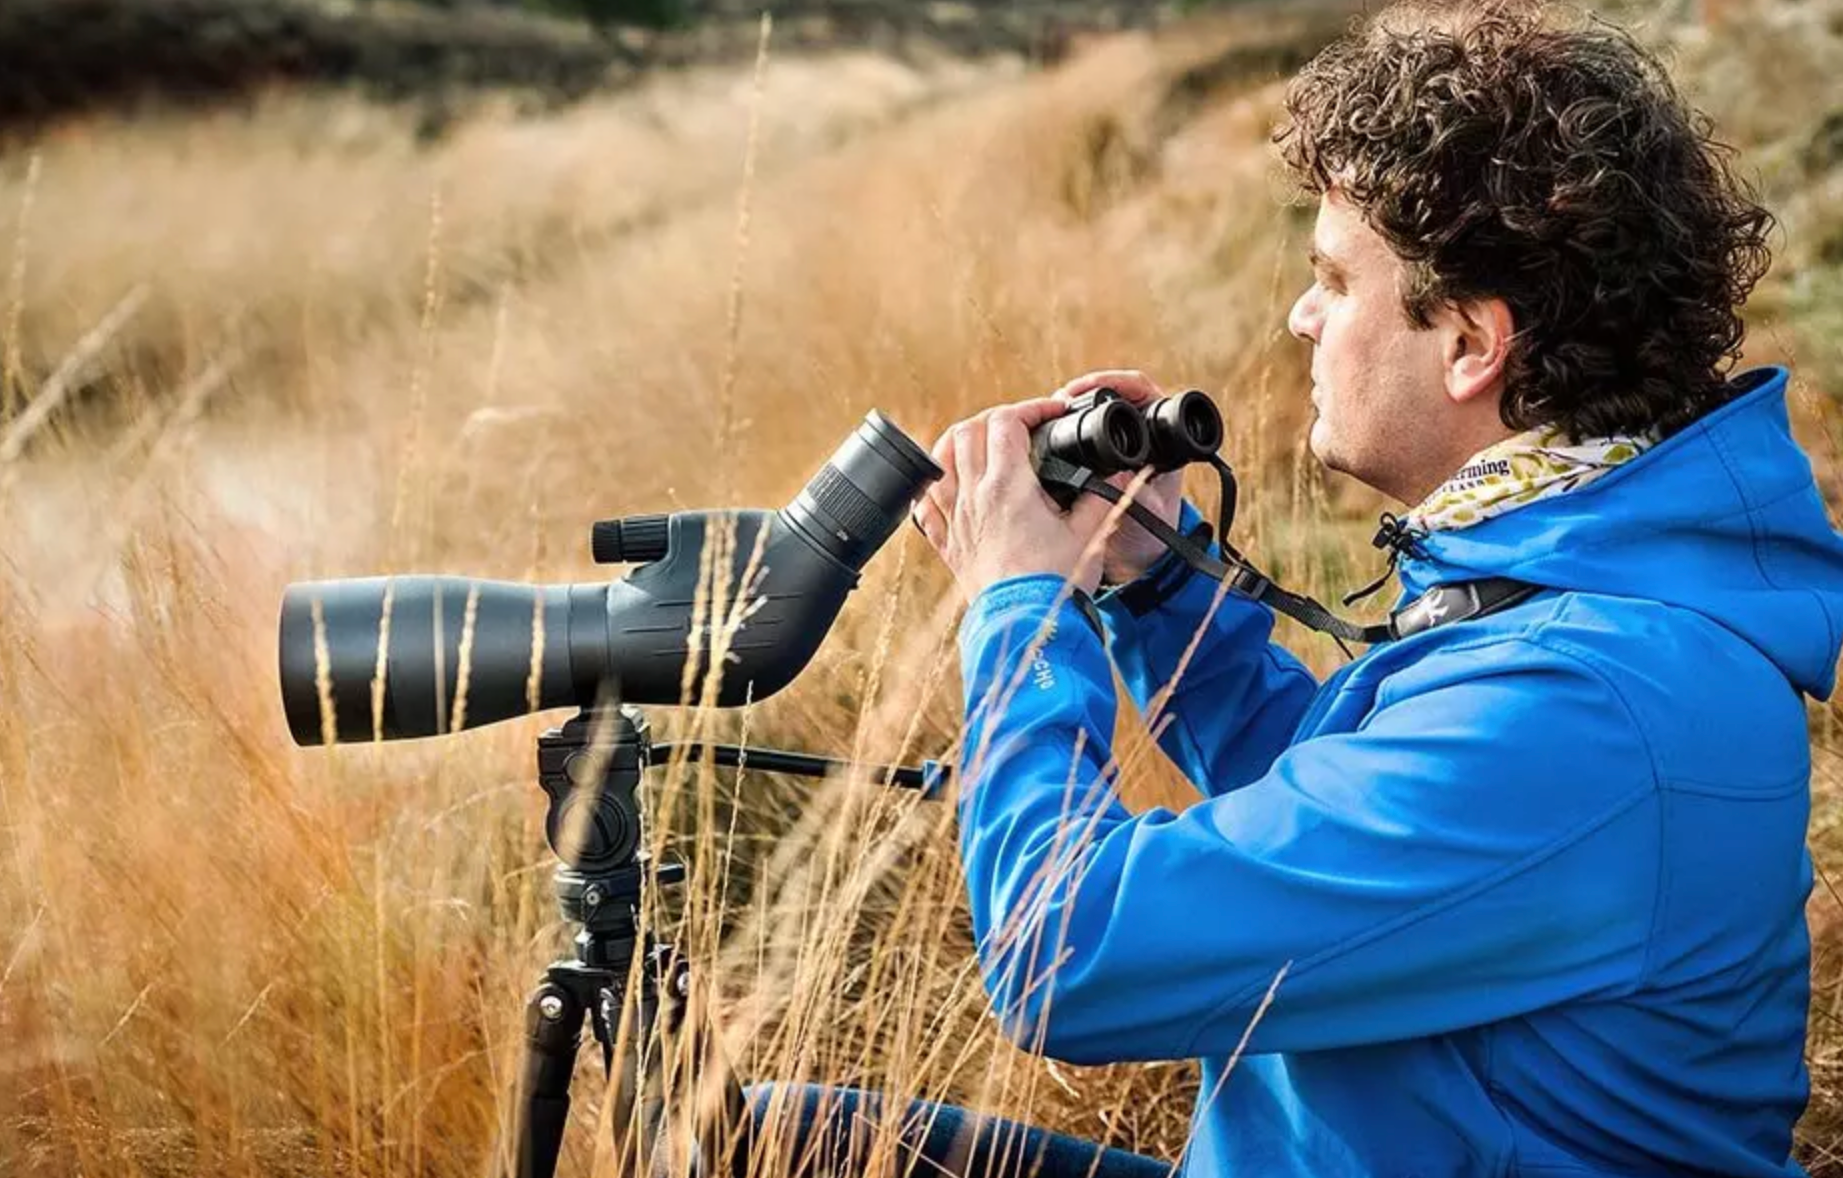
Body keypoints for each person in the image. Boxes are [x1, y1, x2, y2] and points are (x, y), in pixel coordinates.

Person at [749, 1, 1843, 1175]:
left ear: (1471, 341)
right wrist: (1151, 582)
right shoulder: (1581, 587)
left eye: (1332, 277)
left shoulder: (1591, 706)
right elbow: (1344, 813)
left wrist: (1021, 604)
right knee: (752, 1127)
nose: (1300, 315)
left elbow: (1060, 955)